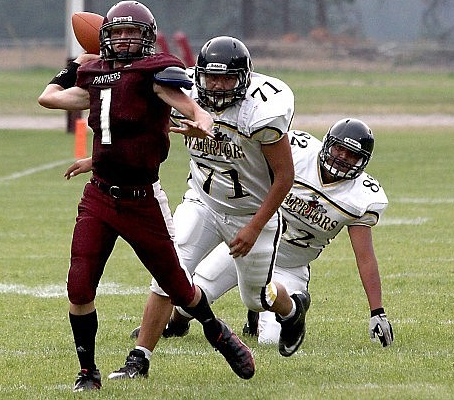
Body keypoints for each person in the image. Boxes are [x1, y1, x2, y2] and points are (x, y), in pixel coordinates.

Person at [38, 1, 255, 392]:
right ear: (104, 37)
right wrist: (74, 64)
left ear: (147, 38)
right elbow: (49, 98)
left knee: (177, 286)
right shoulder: (96, 74)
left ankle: (215, 329)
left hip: (142, 200)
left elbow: (189, 107)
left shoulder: (156, 73)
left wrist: (202, 122)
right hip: (100, 196)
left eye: (131, 33)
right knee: (79, 285)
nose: (123, 40)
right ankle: (88, 372)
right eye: (116, 32)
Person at [68, 36, 309, 381]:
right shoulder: (182, 90)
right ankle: (140, 359)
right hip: (203, 201)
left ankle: (291, 309)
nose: (219, 85)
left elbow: (284, 177)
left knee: (257, 299)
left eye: (228, 78)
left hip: (250, 210)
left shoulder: (262, 111)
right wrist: (98, 160)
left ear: (244, 78)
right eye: (212, 77)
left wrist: (255, 226)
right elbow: (141, 133)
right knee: (168, 273)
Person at [161, 118, 394, 348]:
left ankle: (285, 306)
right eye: (339, 149)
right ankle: (177, 325)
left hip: (289, 266)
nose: (342, 157)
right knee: (190, 298)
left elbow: (365, 257)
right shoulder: (297, 151)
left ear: (363, 162)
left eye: (351, 155)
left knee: (270, 341)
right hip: (252, 245)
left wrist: (377, 311)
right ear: (327, 144)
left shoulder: (362, 197)